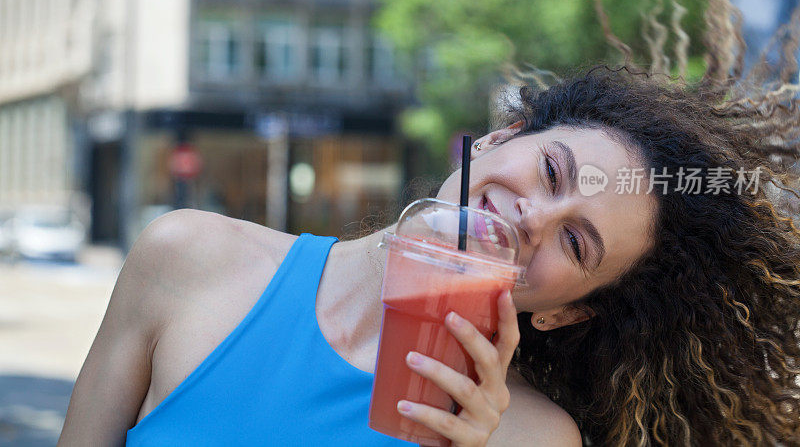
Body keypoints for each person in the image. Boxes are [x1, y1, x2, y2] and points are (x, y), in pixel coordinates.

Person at [57, 60, 800, 445]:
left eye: (576, 241)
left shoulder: (532, 437)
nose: (532, 215)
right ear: (501, 139)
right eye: (550, 171)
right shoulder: (187, 258)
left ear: (569, 308)